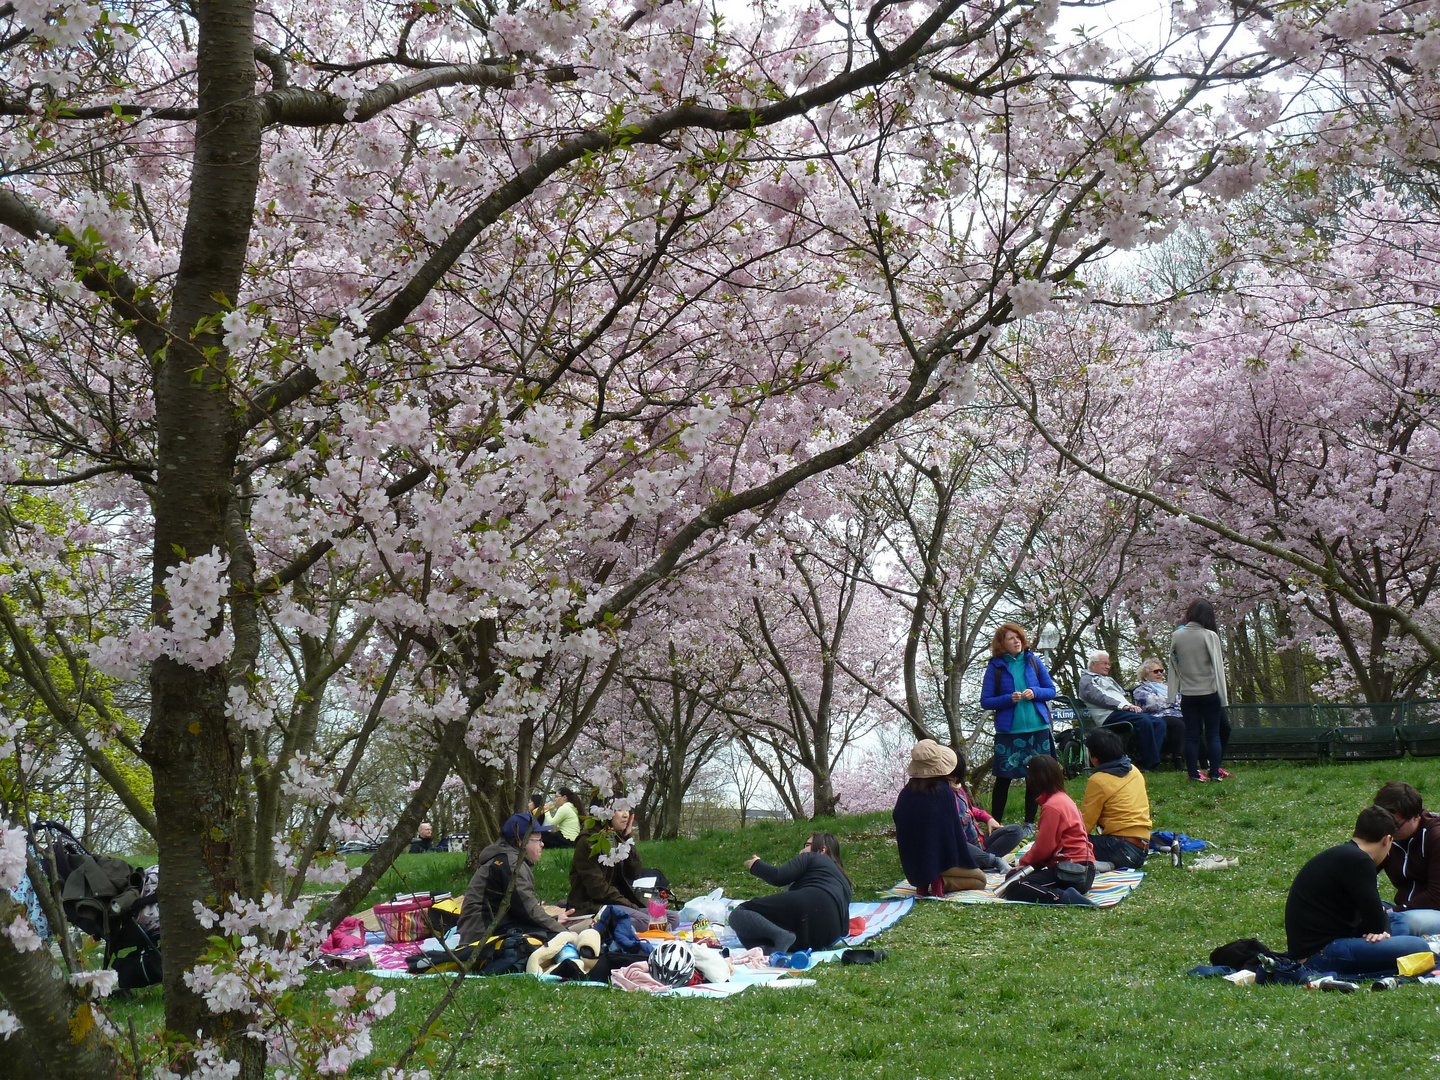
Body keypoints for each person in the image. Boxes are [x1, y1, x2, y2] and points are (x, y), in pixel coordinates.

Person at [1284, 805, 1432, 975]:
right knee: (1419, 947)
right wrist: (1379, 928)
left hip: (1330, 937)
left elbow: (1375, 911)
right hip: (1322, 953)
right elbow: (1375, 918)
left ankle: (1387, 943)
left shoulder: (1346, 854)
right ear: (1387, 840)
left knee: (1397, 920)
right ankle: (1389, 946)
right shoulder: (1360, 861)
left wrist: (1380, 928)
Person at [979, 622, 1057, 831]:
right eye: (1011, 638)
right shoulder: (995, 666)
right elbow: (986, 701)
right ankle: (995, 823)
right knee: (1003, 779)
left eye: (1019, 637)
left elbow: (1051, 690)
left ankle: (1030, 823)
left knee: (1035, 778)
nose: (1016, 641)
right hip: (1009, 731)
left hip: (1038, 728)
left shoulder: (1033, 661)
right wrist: (1007, 699)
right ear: (1001, 644)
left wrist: (1036, 692)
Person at [730, 832, 853, 955]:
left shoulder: (812, 857)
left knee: (740, 913)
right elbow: (845, 929)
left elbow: (778, 877)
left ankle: (780, 936)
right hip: (826, 937)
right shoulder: (845, 881)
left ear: (822, 850)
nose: (801, 851)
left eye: (807, 845)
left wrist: (756, 865)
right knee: (752, 930)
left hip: (810, 900)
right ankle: (774, 949)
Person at [457, 813, 568, 944]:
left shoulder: (508, 859)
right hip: (482, 935)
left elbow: (521, 909)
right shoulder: (512, 864)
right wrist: (563, 932)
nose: (542, 844)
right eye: (538, 840)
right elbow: (527, 909)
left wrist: (553, 921)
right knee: (554, 939)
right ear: (521, 841)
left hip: (488, 927)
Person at [893, 740, 985, 896]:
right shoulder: (943, 792)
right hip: (940, 860)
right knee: (980, 880)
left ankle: (925, 881)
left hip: (914, 863)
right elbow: (952, 834)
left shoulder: (906, 793)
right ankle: (941, 881)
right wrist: (966, 861)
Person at [999, 755, 1096, 902]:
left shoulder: (1052, 806)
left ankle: (1064, 897)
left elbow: (1044, 848)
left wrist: (1023, 863)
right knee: (1013, 878)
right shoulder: (1063, 799)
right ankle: (1063, 893)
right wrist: (1028, 868)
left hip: (1072, 872)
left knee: (1015, 886)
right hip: (1083, 870)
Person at [566, 807, 672, 932]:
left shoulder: (617, 838)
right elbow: (598, 890)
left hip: (617, 903)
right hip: (590, 906)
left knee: (672, 918)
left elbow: (635, 873)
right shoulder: (588, 842)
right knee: (647, 922)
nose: (626, 815)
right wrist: (631, 906)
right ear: (606, 813)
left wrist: (627, 839)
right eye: (620, 809)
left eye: (627, 810)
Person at [1168, 599, 1232, 782]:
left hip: (1188, 694)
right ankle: (1214, 772)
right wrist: (1223, 696)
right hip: (1209, 692)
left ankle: (1193, 773)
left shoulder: (1177, 636)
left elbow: (1172, 664)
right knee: (1213, 735)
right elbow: (1218, 668)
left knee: (1191, 736)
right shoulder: (1209, 635)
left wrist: (1172, 692)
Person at [1372, 781, 1440, 937]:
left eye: (1395, 825)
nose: (1388, 830)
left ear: (1416, 816)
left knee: (1398, 922)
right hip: (1402, 910)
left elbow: (1436, 896)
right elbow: (1362, 869)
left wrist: (1394, 911)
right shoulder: (1388, 836)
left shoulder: (1435, 837)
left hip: (1433, 910)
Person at [1078, 652, 1166, 771]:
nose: (1108, 667)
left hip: (1122, 712)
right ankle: (1148, 764)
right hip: (1108, 715)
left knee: (1159, 723)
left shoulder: (1107, 679)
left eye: (1108, 664)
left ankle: (1145, 761)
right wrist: (1123, 706)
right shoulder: (1087, 680)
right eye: (1104, 664)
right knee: (1143, 720)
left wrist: (1130, 706)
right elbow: (1100, 697)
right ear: (1093, 664)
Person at [1079, 727, 1151, 870]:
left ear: (1095, 757)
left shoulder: (1098, 780)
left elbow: (1085, 825)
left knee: (1067, 844)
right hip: (1142, 848)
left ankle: (1101, 863)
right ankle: (1108, 863)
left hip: (1120, 848)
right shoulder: (1133, 770)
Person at [947, 751, 1023, 871]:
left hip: (979, 843)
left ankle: (983, 861)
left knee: (1016, 831)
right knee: (959, 845)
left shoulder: (959, 791)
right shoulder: (942, 797)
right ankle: (987, 861)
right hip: (964, 849)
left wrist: (988, 819)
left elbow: (971, 810)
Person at [1129, 658, 1187, 768]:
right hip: (1158, 716)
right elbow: (1151, 704)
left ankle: (1203, 761)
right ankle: (1178, 761)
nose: (1159, 673)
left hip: (1177, 714)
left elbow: (1180, 700)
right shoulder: (1140, 689)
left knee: (1193, 723)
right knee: (1178, 725)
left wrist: (1166, 701)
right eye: (1156, 671)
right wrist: (1170, 701)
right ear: (1146, 675)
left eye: (1161, 671)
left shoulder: (1167, 687)